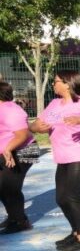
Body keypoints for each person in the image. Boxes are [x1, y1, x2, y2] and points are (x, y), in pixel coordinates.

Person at [29, 71, 80, 251]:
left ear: (68, 84)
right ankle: (76, 232)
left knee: (72, 198)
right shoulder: (53, 104)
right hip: (62, 158)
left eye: (56, 82)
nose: (54, 84)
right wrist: (36, 127)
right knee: (61, 198)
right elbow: (35, 125)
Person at [0, 81, 37, 235]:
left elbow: (22, 135)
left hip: (25, 150)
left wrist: (8, 148)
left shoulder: (11, 111)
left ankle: (21, 221)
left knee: (9, 187)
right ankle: (13, 217)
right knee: (2, 188)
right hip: (7, 151)